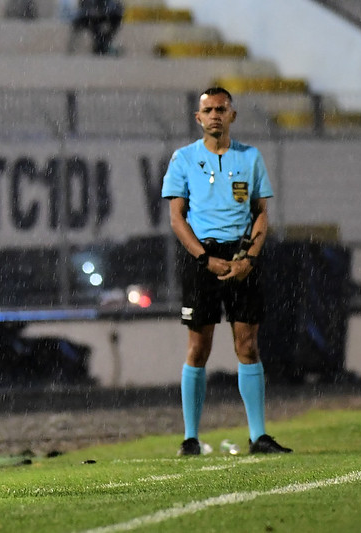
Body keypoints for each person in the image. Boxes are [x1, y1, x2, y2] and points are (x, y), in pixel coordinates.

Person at [161, 87, 292, 456]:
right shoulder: (183, 159)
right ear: (198, 118)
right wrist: (205, 259)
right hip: (202, 258)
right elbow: (176, 217)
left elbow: (262, 213)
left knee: (247, 345)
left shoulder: (250, 158)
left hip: (242, 256)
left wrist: (248, 259)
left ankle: (258, 436)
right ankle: (190, 438)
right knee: (198, 346)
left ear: (232, 115)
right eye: (208, 110)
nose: (215, 115)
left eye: (221, 109)